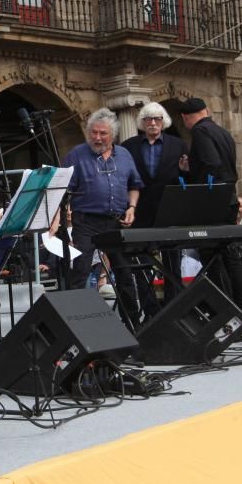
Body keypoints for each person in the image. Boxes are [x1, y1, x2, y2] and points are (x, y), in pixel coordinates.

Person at [63, 108, 144, 329]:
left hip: (115, 221)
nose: (97, 138)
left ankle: (133, 325)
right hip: (86, 221)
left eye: (102, 134)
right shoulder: (77, 154)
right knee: (79, 272)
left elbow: (134, 185)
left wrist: (132, 208)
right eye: (93, 133)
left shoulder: (125, 155)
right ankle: (77, 327)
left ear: (113, 135)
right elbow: (63, 189)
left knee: (124, 273)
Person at [180, 97, 242, 318]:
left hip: (213, 204)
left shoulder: (200, 132)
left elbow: (211, 164)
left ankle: (224, 311)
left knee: (212, 258)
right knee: (231, 257)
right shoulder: (222, 131)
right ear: (207, 111)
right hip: (229, 199)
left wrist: (189, 170)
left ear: (185, 118)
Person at [121, 101, 187, 306]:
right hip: (140, 209)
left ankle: (173, 303)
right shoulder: (128, 146)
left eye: (157, 119)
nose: (152, 123)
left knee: (172, 259)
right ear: (142, 122)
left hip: (169, 208)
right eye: (148, 119)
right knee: (141, 259)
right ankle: (149, 305)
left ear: (163, 121)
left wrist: (185, 170)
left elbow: (187, 174)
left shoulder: (178, 144)